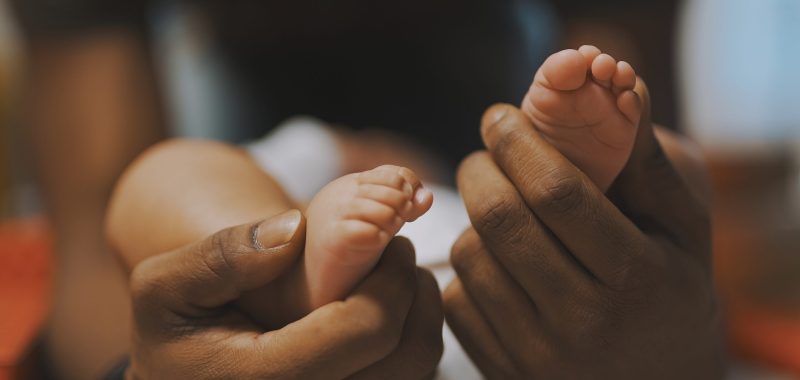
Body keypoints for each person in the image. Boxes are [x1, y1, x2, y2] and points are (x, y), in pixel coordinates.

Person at [106, 50, 724, 377]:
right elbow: (142, 205)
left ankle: (583, 196)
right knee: (168, 172)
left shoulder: (454, 193)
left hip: (559, 331)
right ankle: (284, 284)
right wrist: (334, 154)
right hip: (289, 325)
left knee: (676, 166)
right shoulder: (308, 163)